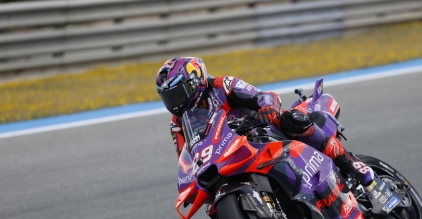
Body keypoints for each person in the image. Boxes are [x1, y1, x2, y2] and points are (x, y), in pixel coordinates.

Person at [156, 57, 374, 187]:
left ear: (195, 81)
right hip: (226, 155)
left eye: (178, 93)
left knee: (290, 120)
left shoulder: (223, 85)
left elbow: (262, 96)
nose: (175, 103)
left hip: (259, 129)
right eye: (168, 97)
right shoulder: (178, 124)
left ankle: (349, 162)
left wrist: (267, 108)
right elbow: (187, 158)